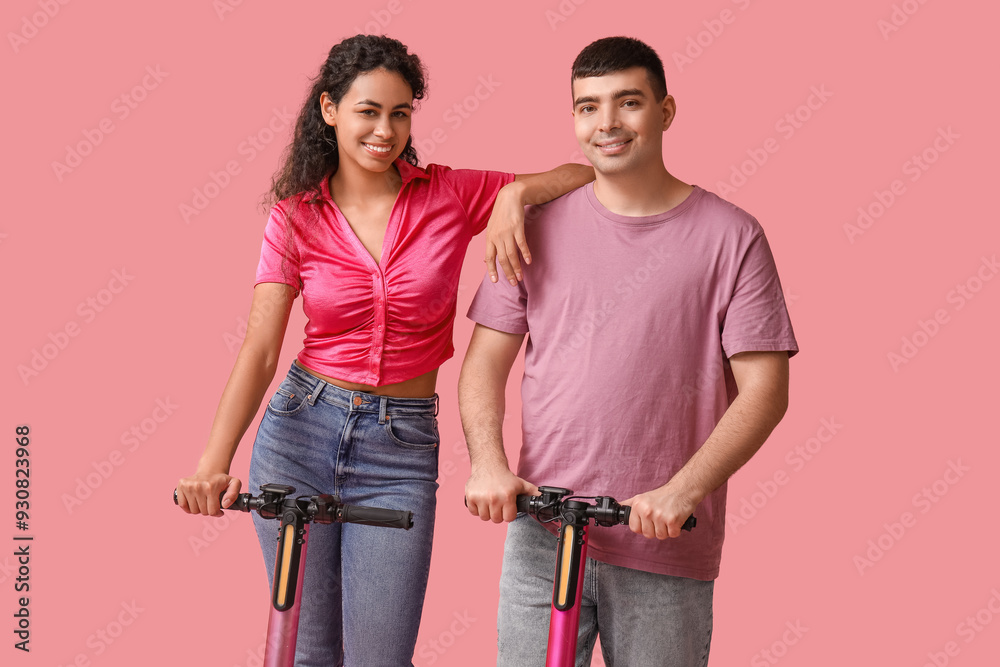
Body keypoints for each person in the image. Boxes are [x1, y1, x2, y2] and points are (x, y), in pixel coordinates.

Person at [175, 34, 593, 667]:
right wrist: (213, 462)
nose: (385, 129)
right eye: (368, 110)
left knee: (382, 658)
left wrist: (513, 194)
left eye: (400, 113)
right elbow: (262, 349)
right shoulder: (294, 218)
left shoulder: (449, 194)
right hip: (298, 432)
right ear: (329, 110)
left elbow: (582, 174)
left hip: (399, 448)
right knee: (307, 654)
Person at [460, 36, 799, 666]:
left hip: (664, 545)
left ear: (666, 112)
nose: (606, 123)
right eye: (587, 107)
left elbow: (766, 391)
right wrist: (487, 462)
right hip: (542, 532)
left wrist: (685, 490)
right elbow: (483, 361)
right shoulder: (528, 229)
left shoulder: (733, 236)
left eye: (628, 103)